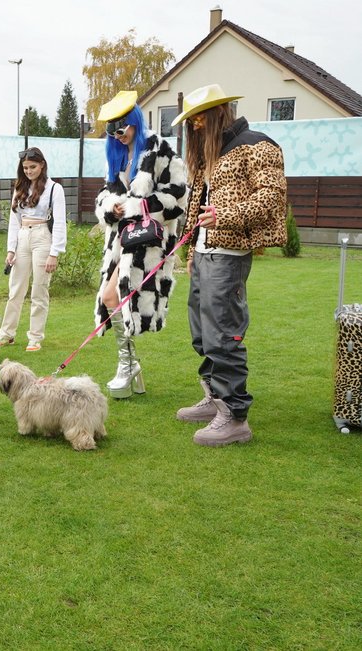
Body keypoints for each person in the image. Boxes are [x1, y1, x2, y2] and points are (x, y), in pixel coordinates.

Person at [171, 84, 287, 447]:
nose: (195, 126)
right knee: (202, 334)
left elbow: (272, 196)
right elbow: (200, 206)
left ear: (220, 112)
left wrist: (226, 215)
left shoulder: (258, 144)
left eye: (200, 118)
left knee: (224, 335)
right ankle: (214, 398)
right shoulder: (210, 153)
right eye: (192, 121)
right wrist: (191, 250)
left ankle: (234, 417)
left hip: (230, 255)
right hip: (204, 253)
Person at [94, 90, 187, 399]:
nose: (117, 135)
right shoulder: (118, 157)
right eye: (110, 130)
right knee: (112, 300)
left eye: (121, 127)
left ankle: (128, 366)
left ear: (134, 121)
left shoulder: (160, 151)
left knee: (112, 298)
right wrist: (111, 207)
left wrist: (139, 207)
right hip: (122, 242)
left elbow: (178, 197)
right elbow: (104, 196)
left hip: (147, 243)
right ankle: (130, 368)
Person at [0, 147, 67, 352]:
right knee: (15, 289)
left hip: (42, 238)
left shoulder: (55, 188)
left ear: (42, 165)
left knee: (39, 289)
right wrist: (11, 249)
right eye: (25, 167)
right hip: (22, 236)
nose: (28, 171)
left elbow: (60, 222)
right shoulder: (19, 187)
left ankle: (35, 337)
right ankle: (7, 333)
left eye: (33, 167)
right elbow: (14, 220)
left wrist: (54, 252)